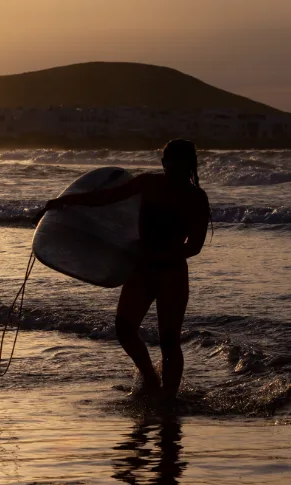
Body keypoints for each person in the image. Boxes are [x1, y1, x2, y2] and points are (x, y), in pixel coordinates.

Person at [37, 139, 209, 399]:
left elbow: (195, 245)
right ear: (163, 163)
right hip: (141, 270)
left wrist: (160, 253)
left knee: (169, 340)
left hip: (171, 273)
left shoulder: (196, 198)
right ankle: (150, 376)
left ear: (189, 165)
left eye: (178, 161)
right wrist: (66, 202)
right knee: (124, 329)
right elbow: (106, 197)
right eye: (167, 161)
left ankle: (169, 399)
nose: (171, 166)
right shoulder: (148, 184)